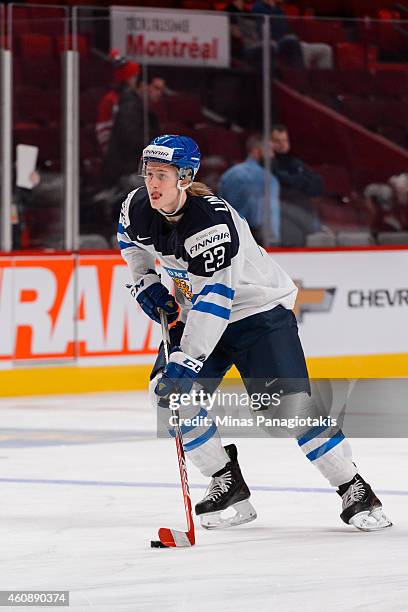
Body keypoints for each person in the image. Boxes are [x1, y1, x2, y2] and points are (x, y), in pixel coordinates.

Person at [118, 134, 392, 532]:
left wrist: (187, 360)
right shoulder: (137, 205)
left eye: (162, 174)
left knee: (285, 409)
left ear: (186, 177)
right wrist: (144, 282)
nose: (152, 183)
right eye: (148, 174)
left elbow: (216, 300)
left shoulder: (212, 222)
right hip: (201, 314)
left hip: (257, 314)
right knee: (167, 397)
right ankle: (226, 482)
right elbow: (131, 244)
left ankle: (354, 487)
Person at [218, 133, 280, 245]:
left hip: (231, 239)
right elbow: (268, 219)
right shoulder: (268, 180)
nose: (272, 155)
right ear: (256, 151)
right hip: (256, 241)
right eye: (269, 150)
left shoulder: (229, 174)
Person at [271, 123, 323, 236]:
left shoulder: (295, 162)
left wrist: (297, 181)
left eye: (285, 140)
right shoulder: (269, 164)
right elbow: (285, 180)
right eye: (277, 141)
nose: (282, 144)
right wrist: (300, 181)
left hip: (300, 207)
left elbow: (317, 183)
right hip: (283, 210)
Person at [95, 50, 141, 156]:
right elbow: (102, 131)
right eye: (133, 76)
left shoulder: (133, 99)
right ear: (126, 79)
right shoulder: (110, 100)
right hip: (117, 156)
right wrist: (112, 153)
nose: (135, 80)